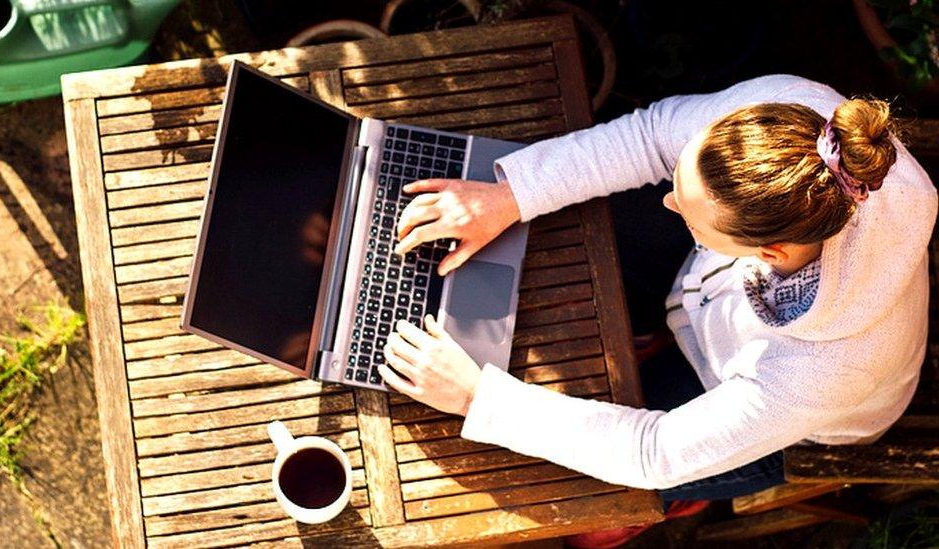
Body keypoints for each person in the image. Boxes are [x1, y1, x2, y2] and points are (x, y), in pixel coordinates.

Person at [376, 74, 938, 505]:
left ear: (770, 253)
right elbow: (648, 136)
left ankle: (672, 509)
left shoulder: (821, 373)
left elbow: (654, 451)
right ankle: (661, 322)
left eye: (691, 217)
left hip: (797, 422)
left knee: (601, 491)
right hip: (714, 299)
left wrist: (479, 398)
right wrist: (509, 196)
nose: (668, 203)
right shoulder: (791, 122)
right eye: (680, 183)